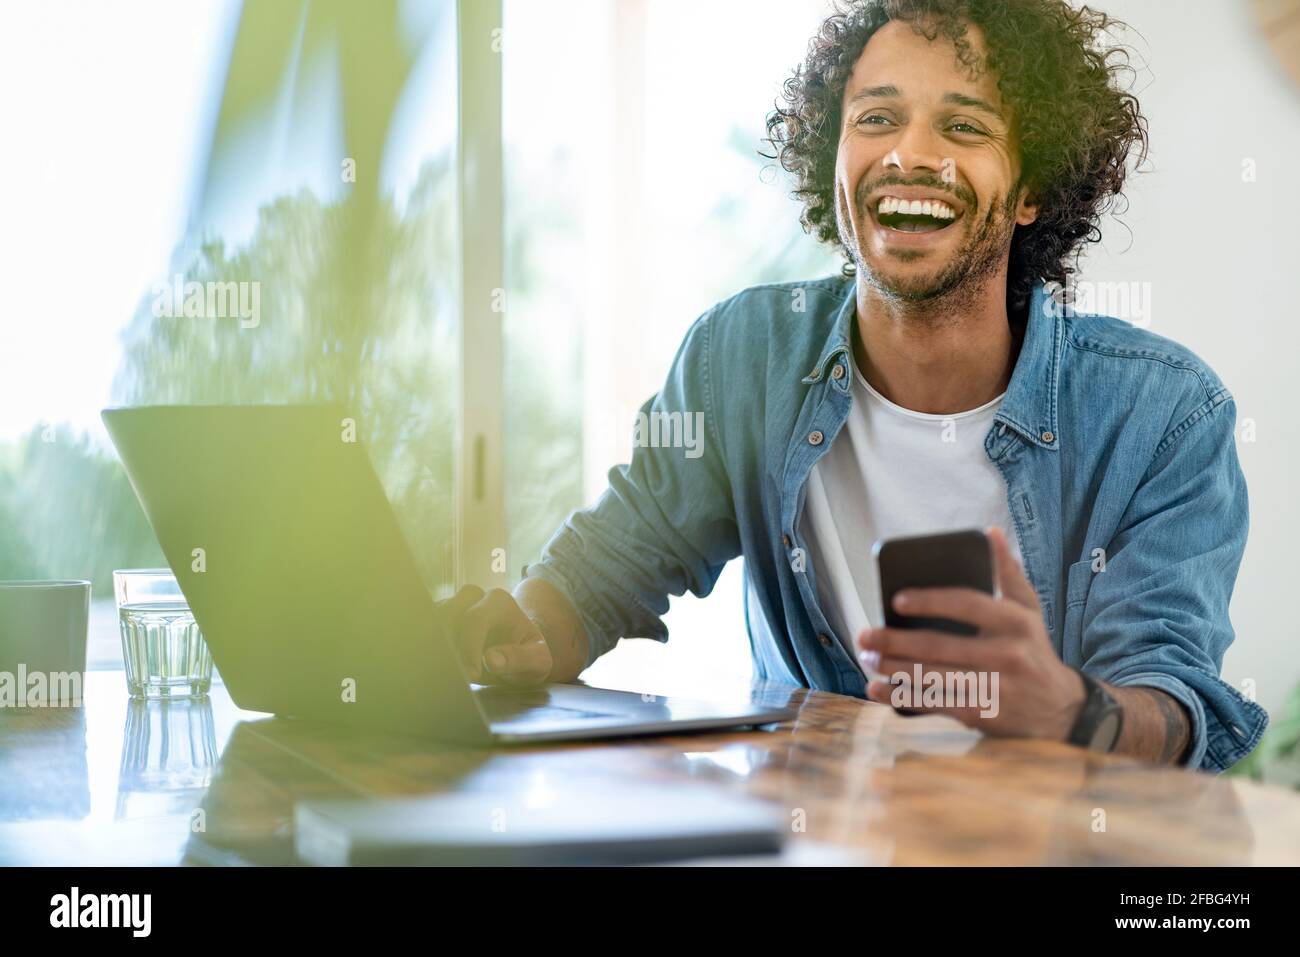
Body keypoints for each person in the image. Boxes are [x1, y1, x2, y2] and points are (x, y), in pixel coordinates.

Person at [440, 0, 1266, 772]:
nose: (909, 154)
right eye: (876, 118)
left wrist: (1070, 711)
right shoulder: (741, 357)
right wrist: (511, 634)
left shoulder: (1163, 415)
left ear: (1032, 189)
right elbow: (611, 563)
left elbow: (1175, 705)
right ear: (830, 159)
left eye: (962, 125)